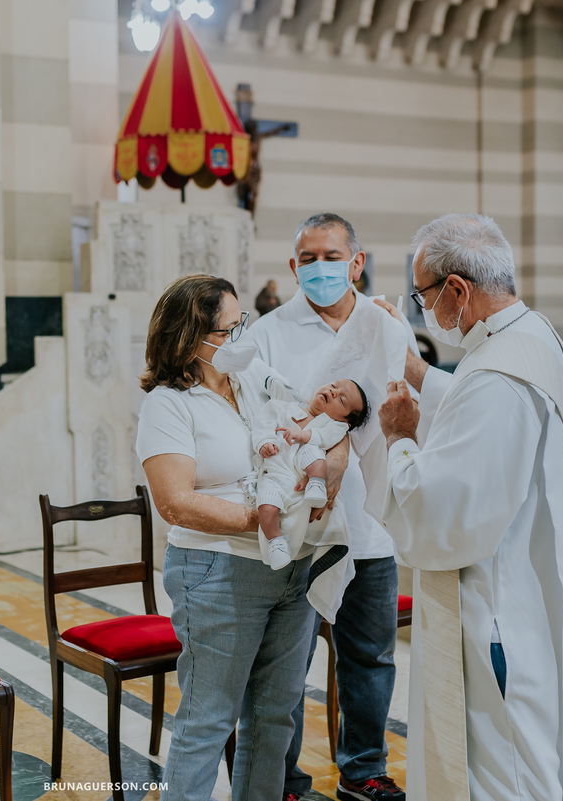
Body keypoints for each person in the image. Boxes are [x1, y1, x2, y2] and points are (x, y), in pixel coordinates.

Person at [378, 213, 563, 799]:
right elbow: (480, 418)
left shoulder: (497, 376)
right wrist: (419, 373)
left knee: (503, 777)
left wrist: (400, 438)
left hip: (496, 616)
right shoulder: (532, 339)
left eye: (423, 297)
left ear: (457, 289)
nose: (424, 311)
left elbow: (440, 515)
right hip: (531, 602)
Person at [136, 274, 349, 801]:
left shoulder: (251, 375)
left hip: (291, 565)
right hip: (218, 569)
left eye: (241, 324)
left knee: (276, 715)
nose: (240, 339)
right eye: (226, 331)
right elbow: (175, 502)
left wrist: (329, 468)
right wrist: (267, 519)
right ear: (188, 337)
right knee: (209, 720)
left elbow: (317, 419)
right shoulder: (168, 404)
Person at [247, 213, 405, 801]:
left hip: (371, 525)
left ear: (356, 263)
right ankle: (283, 780)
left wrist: (345, 446)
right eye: (308, 259)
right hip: (300, 528)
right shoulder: (268, 333)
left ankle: (364, 771)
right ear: (293, 267)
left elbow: (403, 408)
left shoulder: (386, 326)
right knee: (284, 666)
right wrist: (326, 445)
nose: (319, 267)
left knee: (371, 659)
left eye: (331, 257)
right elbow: (257, 418)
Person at [253, 380, 370, 569]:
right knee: (266, 503)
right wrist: (264, 442)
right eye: (333, 386)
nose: (333, 392)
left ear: (345, 421)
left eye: (341, 399)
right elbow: (262, 424)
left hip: (304, 472)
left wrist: (304, 436)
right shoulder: (282, 407)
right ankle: (275, 542)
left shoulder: (334, 426)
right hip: (276, 473)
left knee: (312, 451)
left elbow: (326, 438)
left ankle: (316, 484)